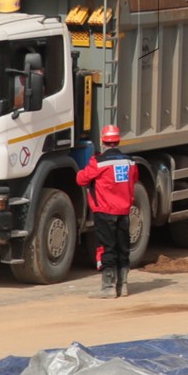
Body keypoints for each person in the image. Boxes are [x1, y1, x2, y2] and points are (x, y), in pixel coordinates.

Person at [77, 125, 138, 299]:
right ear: (118, 140)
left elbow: (81, 179)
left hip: (105, 211)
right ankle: (123, 286)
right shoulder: (130, 161)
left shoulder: (98, 162)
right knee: (123, 246)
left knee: (107, 247)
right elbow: (134, 179)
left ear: (103, 141)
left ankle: (109, 288)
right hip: (124, 211)